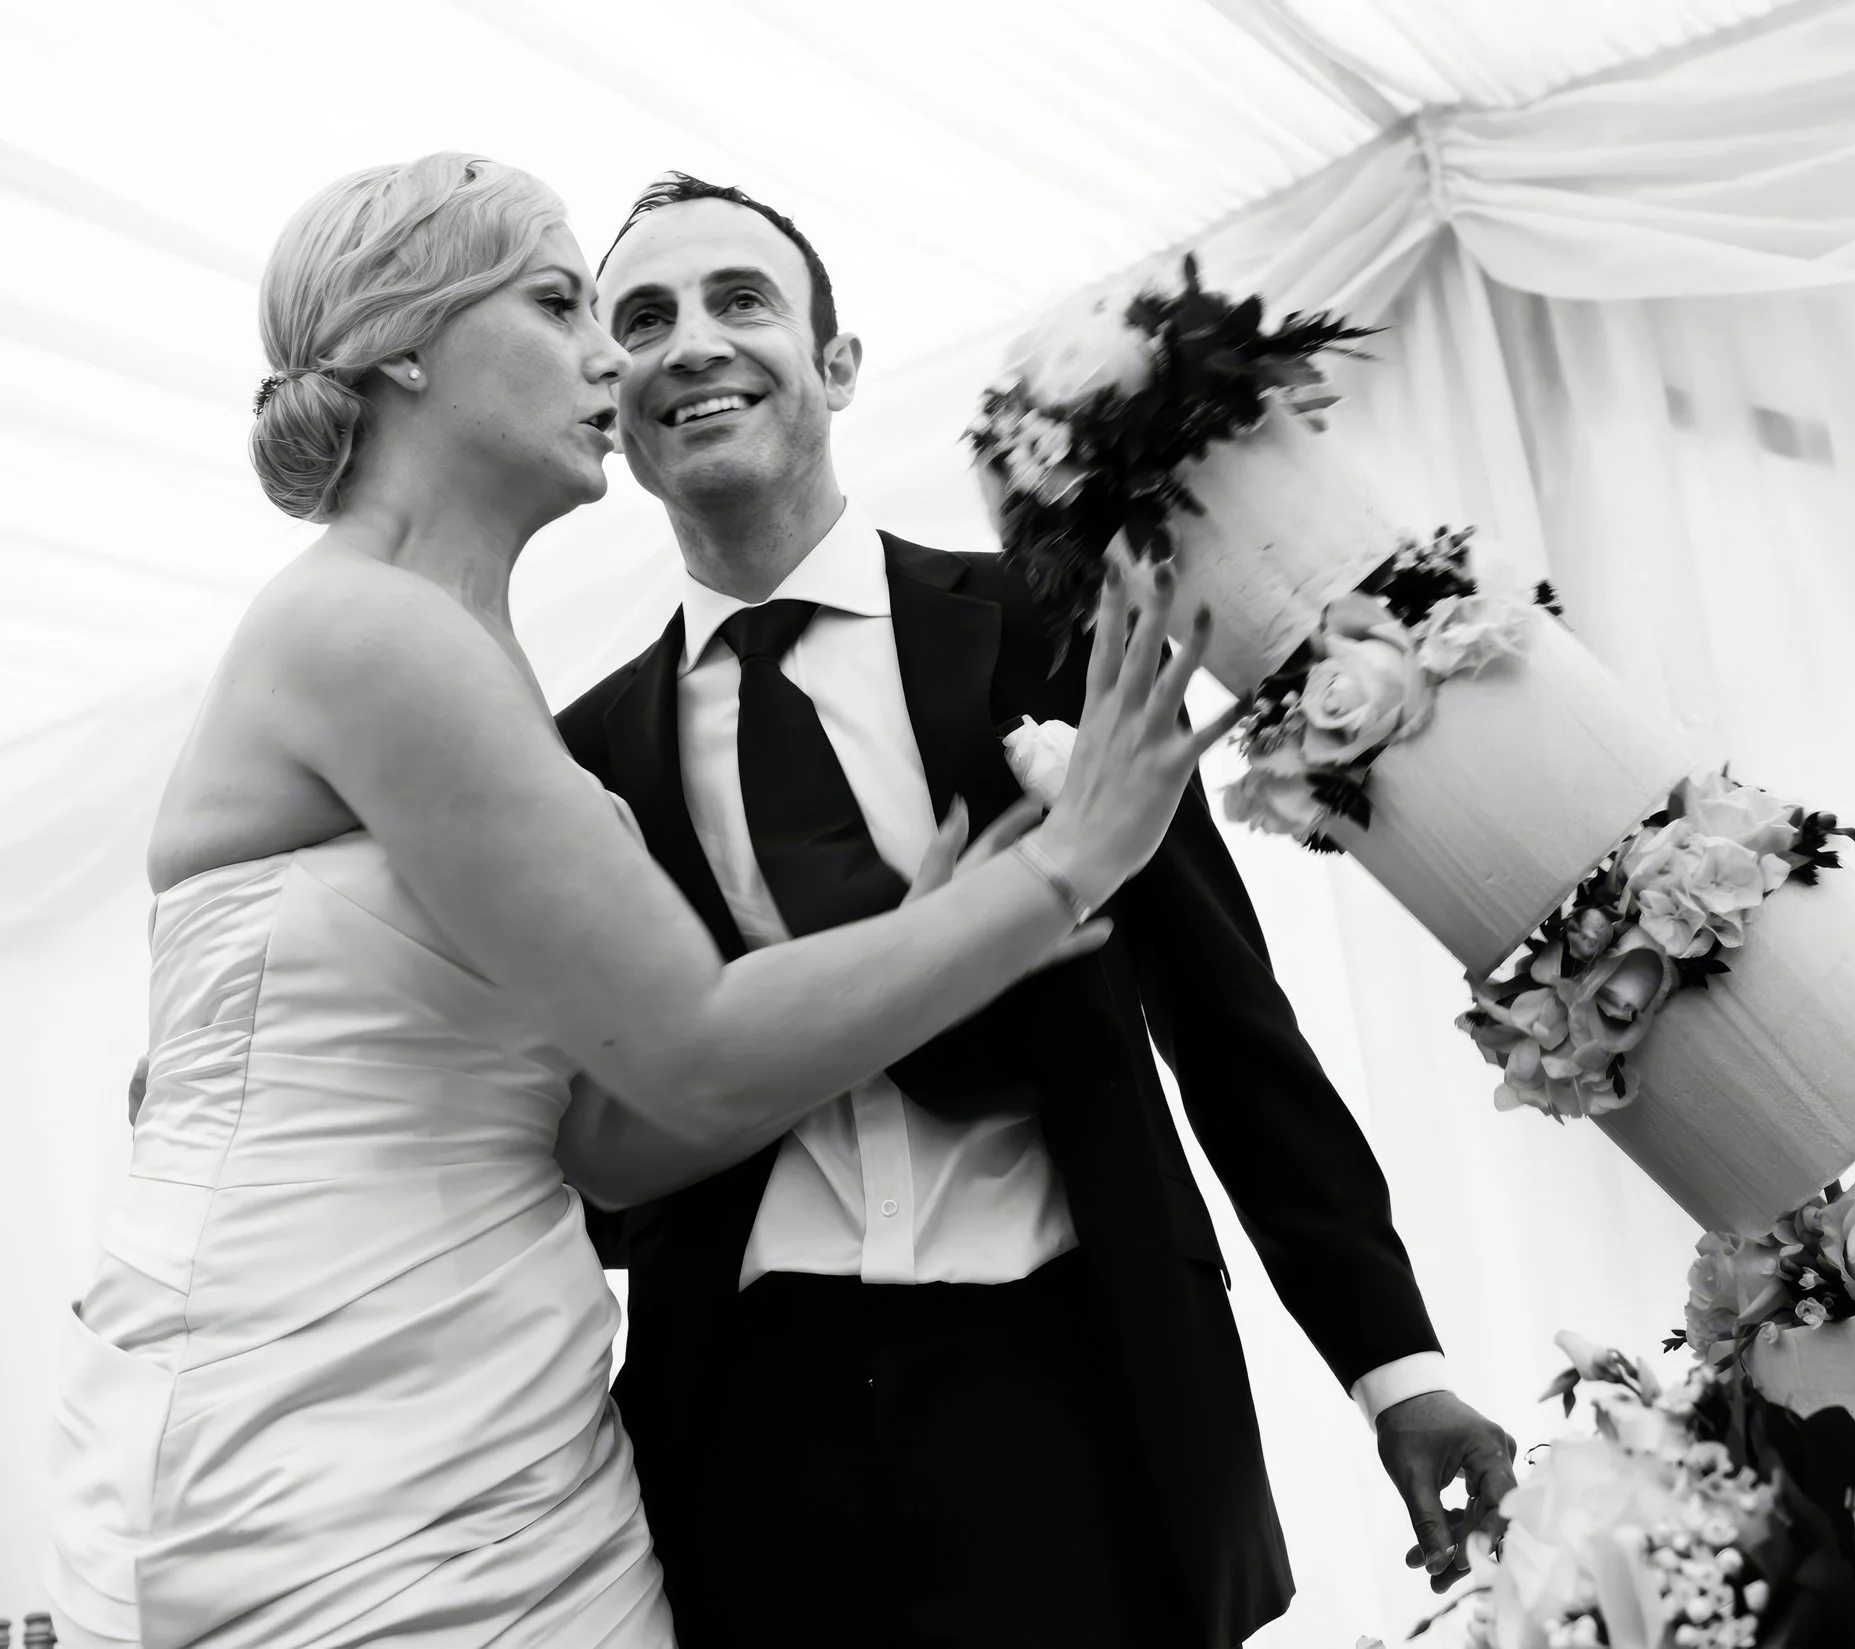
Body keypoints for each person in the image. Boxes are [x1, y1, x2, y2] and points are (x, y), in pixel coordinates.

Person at [48, 152, 1229, 1649]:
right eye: (562, 303)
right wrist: (1065, 866)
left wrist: (928, 942)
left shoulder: (469, 656)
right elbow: (691, 1047)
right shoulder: (367, 631)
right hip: (324, 1423)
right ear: (405, 341)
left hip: (516, 1412)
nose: (616, 355)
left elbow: (607, 1130)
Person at [563, 172, 1520, 1649]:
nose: (691, 343)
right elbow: (606, 1140)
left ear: (837, 361)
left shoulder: (1046, 626)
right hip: (744, 1434)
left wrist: (1395, 1367)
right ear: (608, 398)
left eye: (740, 300)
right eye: (643, 320)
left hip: (1073, 1383)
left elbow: (1228, 1024)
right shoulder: (582, 756)